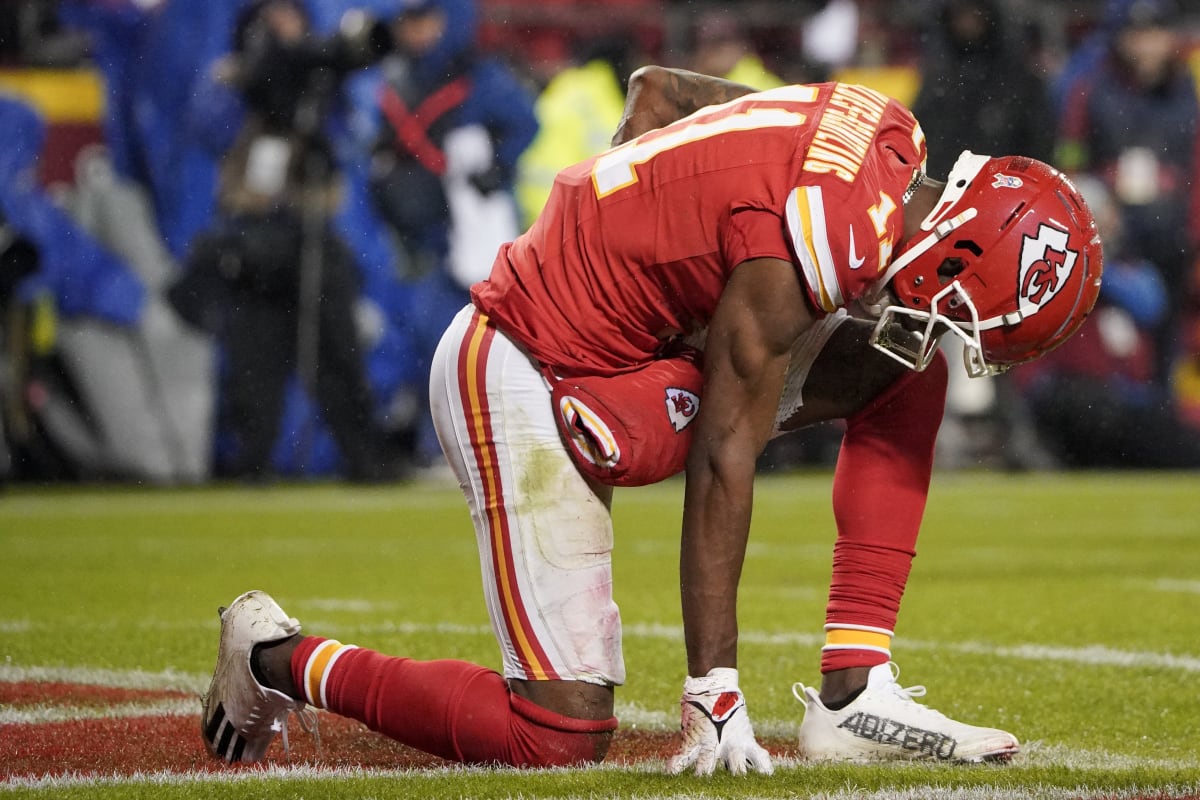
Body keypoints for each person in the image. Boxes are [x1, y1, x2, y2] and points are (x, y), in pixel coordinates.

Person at [201, 66, 1102, 773]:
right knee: (555, 733)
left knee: (904, 371)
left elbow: (659, 91)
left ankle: (854, 693)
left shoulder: (885, 129)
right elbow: (723, 458)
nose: (942, 325)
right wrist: (714, 687)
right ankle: (274, 658)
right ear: (959, 250)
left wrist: (641, 224)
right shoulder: (821, 241)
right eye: (962, 314)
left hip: (622, 355)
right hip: (522, 361)